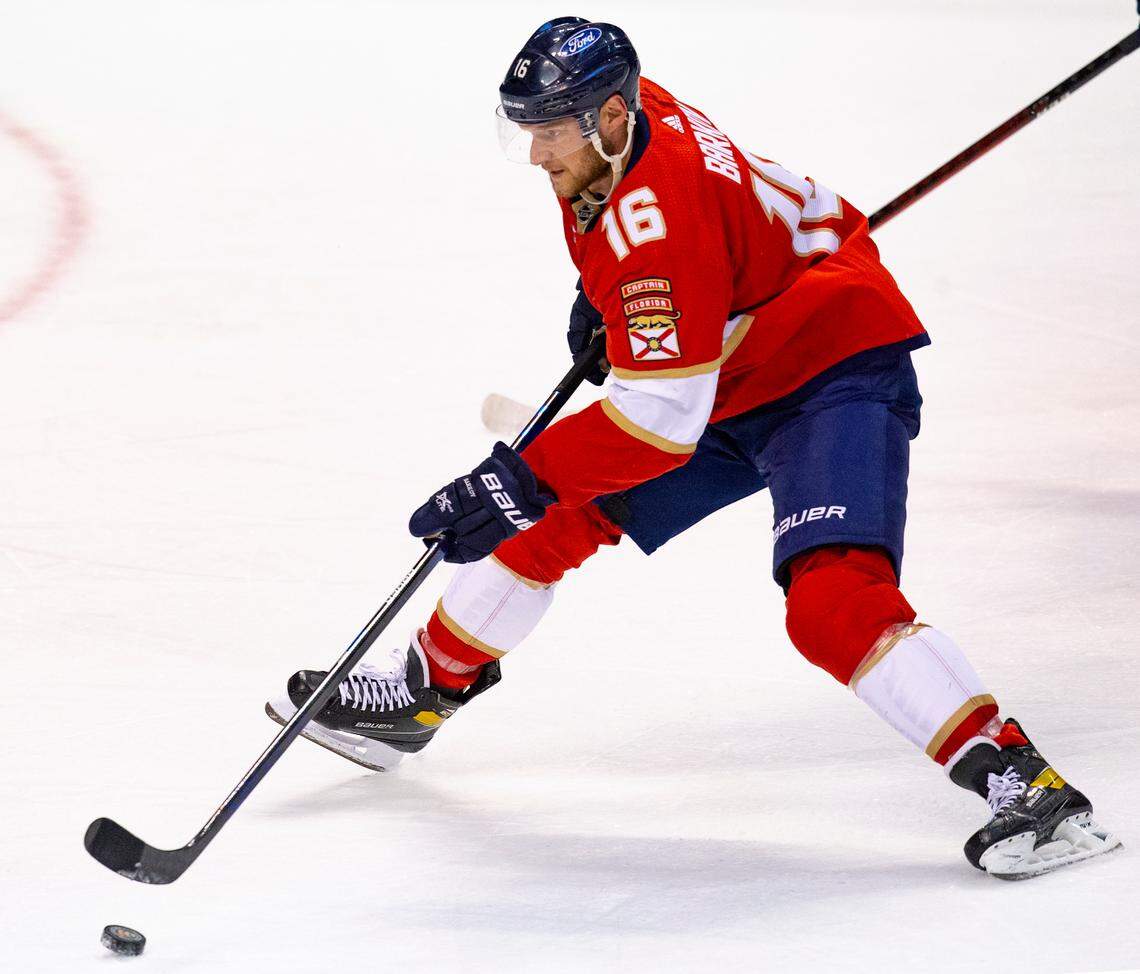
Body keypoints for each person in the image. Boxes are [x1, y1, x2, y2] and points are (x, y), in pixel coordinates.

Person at [267, 18, 1118, 878]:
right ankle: (422, 697)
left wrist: (519, 476)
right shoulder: (631, 124)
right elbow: (682, 265)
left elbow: (660, 420)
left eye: (549, 134)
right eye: (527, 130)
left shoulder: (653, 226)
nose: (535, 156)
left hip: (830, 363)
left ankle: (1030, 789)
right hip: (729, 356)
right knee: (553, 517)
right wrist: (608, 304)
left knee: (830, 598)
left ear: (606, 119)